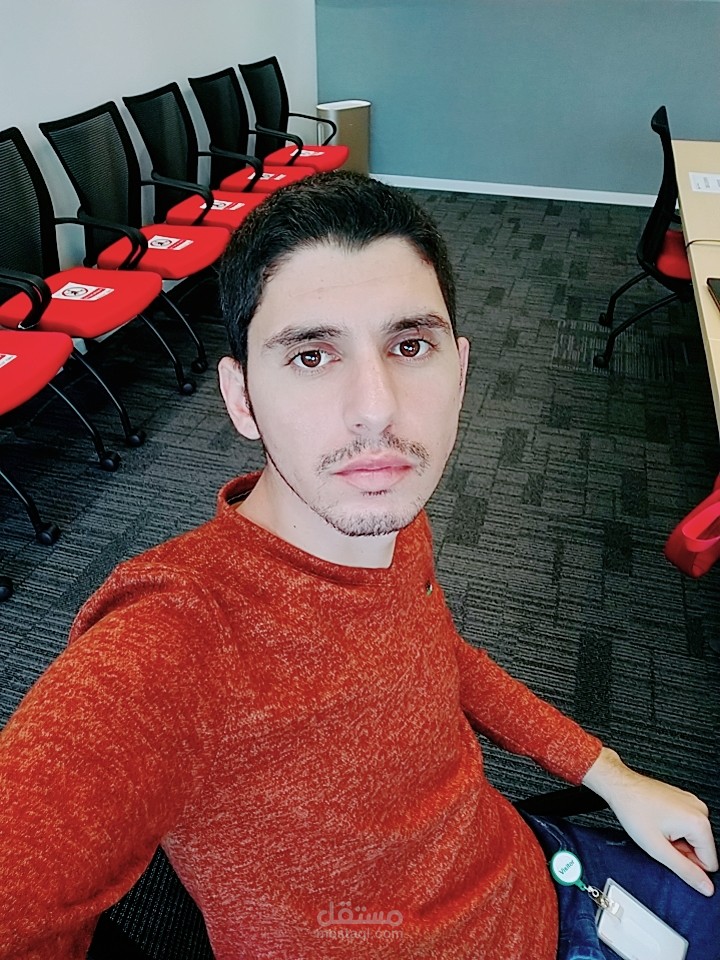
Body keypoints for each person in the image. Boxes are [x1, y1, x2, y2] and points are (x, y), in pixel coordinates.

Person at [0, 171, 717, 960]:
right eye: (311, 355)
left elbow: (433, 654)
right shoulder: (174, 641)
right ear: (241, 399)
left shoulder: (383, 508)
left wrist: (608, 772)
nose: (376, 409)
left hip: (537, 871)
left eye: (409, 346)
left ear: (460, 371)